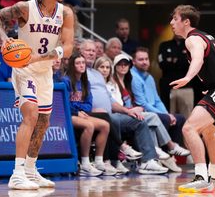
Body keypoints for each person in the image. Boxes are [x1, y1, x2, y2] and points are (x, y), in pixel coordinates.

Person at [0, 0, 74, 190]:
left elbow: (68, 48)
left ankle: (30, 170)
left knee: (44, 122)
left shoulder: (66, 13)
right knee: (31, 114)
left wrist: (42, 57)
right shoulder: (26, 8)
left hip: (45, 71)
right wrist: (6, 38)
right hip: (23, 69)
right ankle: (17, 174)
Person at [169, 5, 215, 192]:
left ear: (186, 22)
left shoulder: (192, 39)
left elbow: (198, 60)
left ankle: (201, 176)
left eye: (175, 19)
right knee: (208, 131)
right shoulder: (204, 36)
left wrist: (188, 77)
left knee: (189, 127)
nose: (171, 22)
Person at [80, 40, 169, 175]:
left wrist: (128, 111)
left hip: (110, 113)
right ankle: (118, 156)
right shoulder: (80, 72)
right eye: (88, 50)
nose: (91, 53)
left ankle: (147, 162)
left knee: (139, 120)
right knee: (111, 120)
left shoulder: (97, 74)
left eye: (93, 50)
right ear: (80, 52)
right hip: (93, 115)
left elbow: (111, 101)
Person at [95, 54, 190, 172]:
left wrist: (166, 113)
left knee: (155, 119)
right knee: (151, 117)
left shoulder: (125, 81)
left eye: (107, 67)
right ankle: (163, 149)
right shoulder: (104, 84)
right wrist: (130, 111)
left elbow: (156, 99)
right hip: (112, 114)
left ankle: (152, 158)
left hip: (124, 112)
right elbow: (123, 104)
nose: (123, 67)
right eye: (102, 67)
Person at [62, 53, 111, 176]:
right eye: (78, 63)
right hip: (68, 115)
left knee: (105, 125)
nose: (81, 65)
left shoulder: (85, 82)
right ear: (72, 66)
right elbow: (64, 102)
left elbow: (89, 104)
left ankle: (99, 161)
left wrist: (80, 110)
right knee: (89, 125)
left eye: (83, 63)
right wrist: (77, 111)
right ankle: (85, 163)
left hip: (81, 113)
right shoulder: (66, 81)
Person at [131, 47, 186, 147]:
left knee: (180, 118)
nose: (144, 62)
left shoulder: (149, 77)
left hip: (154, 111)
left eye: (146, 59)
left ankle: (172, 154)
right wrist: (166, 116)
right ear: (133, 61)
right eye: (141, 59)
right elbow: (142, 103)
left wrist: (167, 114)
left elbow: (157, 100)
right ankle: (164, 155)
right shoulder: (133, 77)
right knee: (164, 118)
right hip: (143, 112)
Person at [158, 35, 200, 116]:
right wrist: (181, 60)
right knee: (169, 116)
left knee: (186, 116)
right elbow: (162, 64)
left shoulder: (189, 45)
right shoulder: (164, 45)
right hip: (168, 87)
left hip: (186, 87)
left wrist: (173, 60)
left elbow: (191, 64)